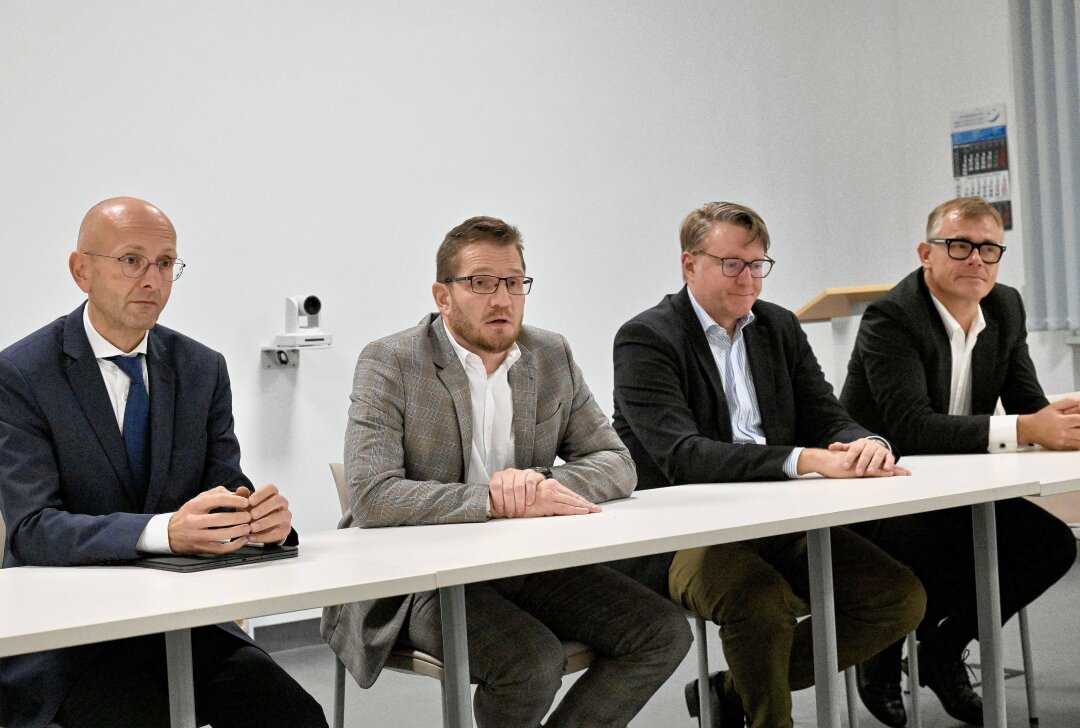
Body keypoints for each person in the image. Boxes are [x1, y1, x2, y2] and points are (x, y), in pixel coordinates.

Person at [322, 215, 692, 728]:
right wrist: (494, 501)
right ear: (442, 295)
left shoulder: (550, 352)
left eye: (514, 283)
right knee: (531, 662)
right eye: (480, 283)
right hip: (420, 582)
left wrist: (542, 485)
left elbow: (616, 461)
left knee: (662, 632)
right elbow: (372, 496)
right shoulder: (392, 361)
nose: (502, 299)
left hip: (526, 564)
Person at [0, 197, 327, 728]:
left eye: (165, 263)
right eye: (131, 260)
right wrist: (165, 532)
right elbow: (34, 529)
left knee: (294, 716)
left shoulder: (201, 368)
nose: (152, 279)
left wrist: (261, 522)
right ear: (81, 270)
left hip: (183, 624)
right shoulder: (21, 374)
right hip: (70, 637)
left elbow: (224, 488)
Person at [610, 201, 926, 728]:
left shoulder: (777, 326)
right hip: (684, 531)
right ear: (690, 265)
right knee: (761, 605)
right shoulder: (647, 338)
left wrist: (864, 442)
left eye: (759, 264)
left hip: (776, 517)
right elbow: (682, 456)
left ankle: (733, 688)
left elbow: (826, 415)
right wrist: (805, 460)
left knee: (897, 598)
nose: (749, 277)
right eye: (732, 263)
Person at [842, 195, 1078, 727]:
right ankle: (879, 652)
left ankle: (941, 649)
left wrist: (1061, 422)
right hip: (883, 492)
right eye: (960, 246)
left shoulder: (1005, 306)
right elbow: (910, 429)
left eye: (990, 249)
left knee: (1051, 546)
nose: (977, 259)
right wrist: (1026, 427)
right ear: (927, 252)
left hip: (957, 488)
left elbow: (1025, 402)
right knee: (937, 555)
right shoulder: (891, 318)